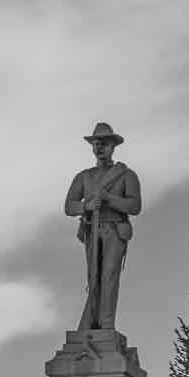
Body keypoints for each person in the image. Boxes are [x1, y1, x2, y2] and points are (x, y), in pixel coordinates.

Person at [62, 121, 141, 331]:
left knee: (110, 276)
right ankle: (91, 323)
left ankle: (106, 325)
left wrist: (109, 199)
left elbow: (134, 206)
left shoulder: (126, 175)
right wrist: (86, 206)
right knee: (94, 278)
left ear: (113, 146)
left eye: (104, 143)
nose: (100, 147)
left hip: (114, 229)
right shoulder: (84, 177)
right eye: (97, 143)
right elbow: (69, 206)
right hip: (92, 229)